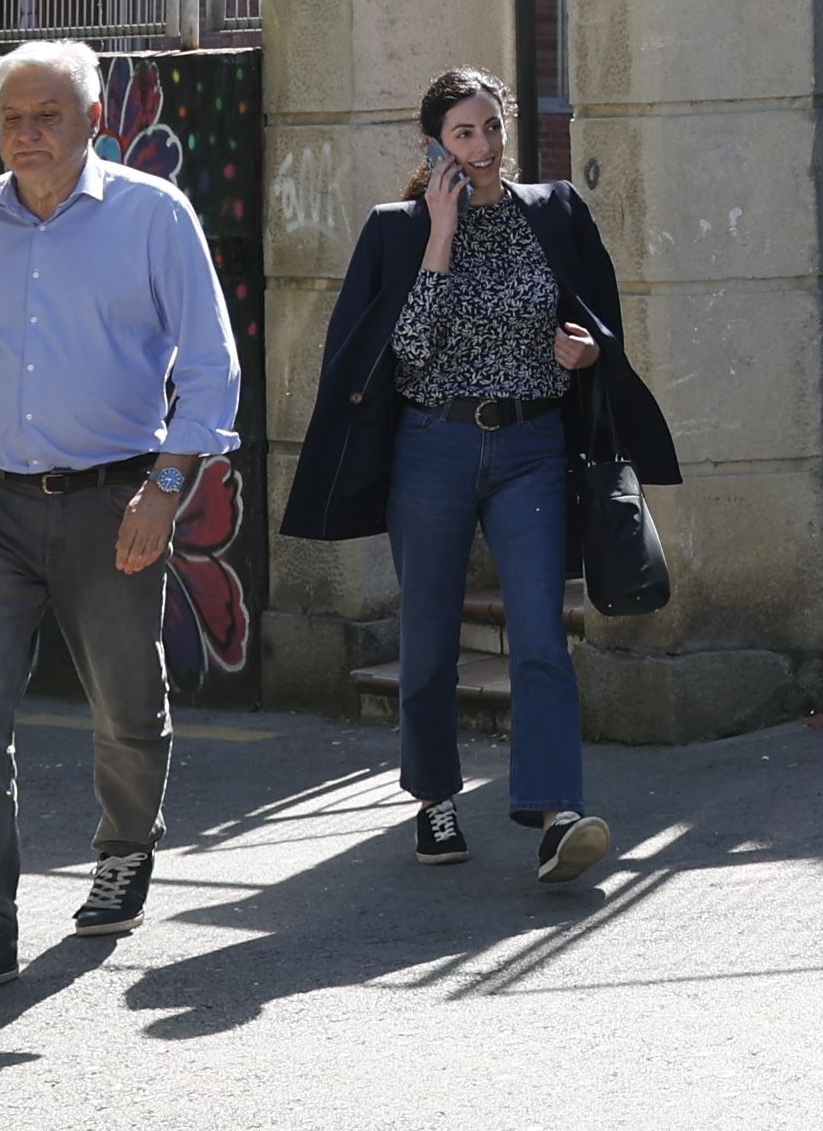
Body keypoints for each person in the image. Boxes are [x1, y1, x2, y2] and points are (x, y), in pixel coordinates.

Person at [0, 38, 241, 1004]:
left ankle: (124, 847)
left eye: (50, 117)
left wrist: (165, 491)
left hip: (116, 495)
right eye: (16, 118)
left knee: (124, 699)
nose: (28, 136)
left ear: (92, 122)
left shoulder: (155, 216)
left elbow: (209, 367)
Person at [281, 68, 671, 887]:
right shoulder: (395, 230)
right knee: (428, 639)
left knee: (539, 634)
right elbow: (402, 352)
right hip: (434, 448)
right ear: (433, 144)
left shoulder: (555, 212)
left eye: (493, 128)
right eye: (465, 133)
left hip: (529, 443)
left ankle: (557, 810)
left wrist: (587, 350)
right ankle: (434, 795)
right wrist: (440, 236)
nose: (485, 147)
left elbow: (601, 323)